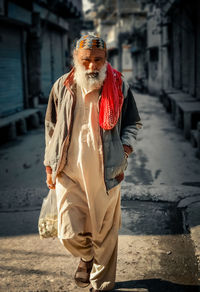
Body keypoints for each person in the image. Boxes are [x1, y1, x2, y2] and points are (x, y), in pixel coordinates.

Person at [44, 34, 143, 292]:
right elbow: (51, 126)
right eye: (86, 60)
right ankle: (86, 257)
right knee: (68, 233)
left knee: (105, 234)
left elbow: (133, 122)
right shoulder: (62, 85)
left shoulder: (119, 85)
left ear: (105, 59)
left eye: (98, 60)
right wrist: (50, 163)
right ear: (76, 59)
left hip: (106, 172)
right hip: (69, 171)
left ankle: (102, 284)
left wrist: (125, 148)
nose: (92, 66)